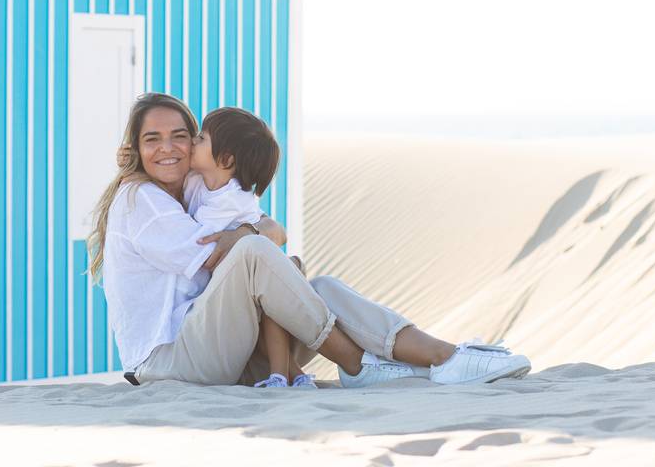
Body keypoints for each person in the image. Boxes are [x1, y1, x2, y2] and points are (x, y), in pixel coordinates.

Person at [88, 92, 532, 389]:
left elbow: (271, 229)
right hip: (167, 364)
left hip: (221, 347)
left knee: (322, 289)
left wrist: (255, 234)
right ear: (135, 148)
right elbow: (224, 254)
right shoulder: (140, 198)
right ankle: (356, 364)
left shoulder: (191, 190)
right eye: (152, 139)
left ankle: (443, 356)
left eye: (181, 136)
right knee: (261, 257)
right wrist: (254, 237)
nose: (168, 148)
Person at [180, 106, 318, 388]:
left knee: (272, 314)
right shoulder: (197, 180)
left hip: (251, 280)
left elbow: (208, 244)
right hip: (236, 284)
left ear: (226, 159)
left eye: (202, 138)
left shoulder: (235, 201)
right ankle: (296, 375)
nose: (193, 140)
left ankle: (280, 375)